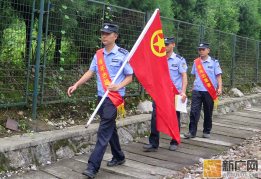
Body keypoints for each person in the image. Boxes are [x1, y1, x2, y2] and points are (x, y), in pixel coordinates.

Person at [67, 23, 133, 178]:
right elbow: (91, 71)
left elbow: (129, 77)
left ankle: (92, 166)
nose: (104, 36)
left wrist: (118, 86)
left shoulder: (123, 54)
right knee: (110, 128)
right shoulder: (98, 54)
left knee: (103, 130)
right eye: (103, 33)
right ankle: (119, 156)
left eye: (108, 34)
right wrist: (76, 84)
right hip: (101, 97)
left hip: (115, 98)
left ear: (115, 36)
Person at [143, 37, 188, 151]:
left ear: (173, 45)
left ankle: (174, 141)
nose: (165, 46)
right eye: (164, 44)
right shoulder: (159, 58)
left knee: (174, 117)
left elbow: (184, 76)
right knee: (155, 117)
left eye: (167, 44)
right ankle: (153, 143)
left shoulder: (179, 60)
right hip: (160, 93)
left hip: (174, 93)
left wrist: (183, 91)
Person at [184, 42, 222, 139]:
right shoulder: (196, 62)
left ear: (208, 50)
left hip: (208, 91)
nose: (201, 51)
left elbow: (218, 76)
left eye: (203, 49)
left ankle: (206, 131)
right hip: (197, 90)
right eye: (200, 50)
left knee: (208, 111)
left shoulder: (214, 62)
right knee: (194, 111)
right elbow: (195, 76)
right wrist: (193, 87)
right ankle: (192, 132)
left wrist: (220, 88)